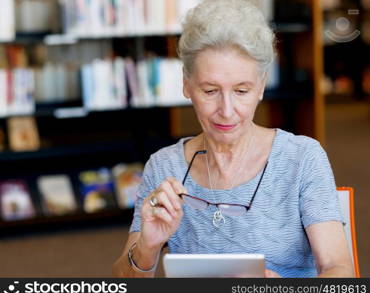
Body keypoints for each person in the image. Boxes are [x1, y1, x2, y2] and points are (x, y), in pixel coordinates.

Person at [112, 0, 354, 278]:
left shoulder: (302, 157)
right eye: (210, 90)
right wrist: (147, 247)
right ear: (186, 84)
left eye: (241, 91)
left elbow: (340, 271)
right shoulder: (164, 167)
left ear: (261, 86)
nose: (226, 111)